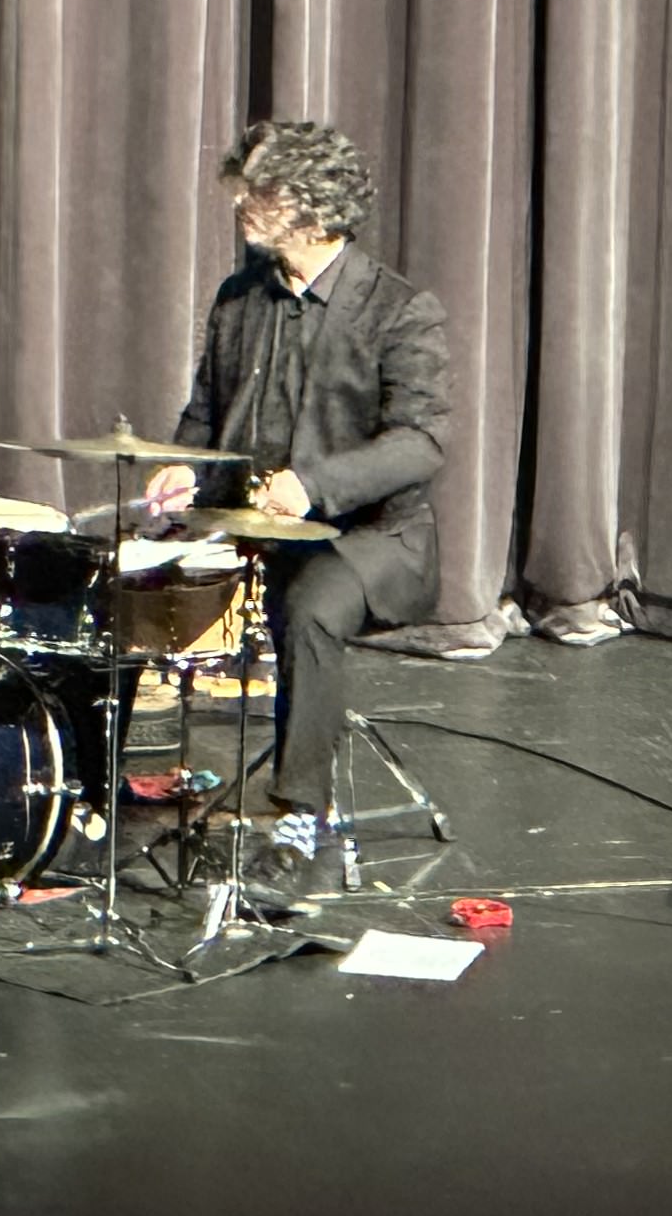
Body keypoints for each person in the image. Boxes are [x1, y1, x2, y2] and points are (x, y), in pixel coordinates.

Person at [143, 119, 449, 894]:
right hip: (266, 532)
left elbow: (419, 444)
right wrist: (185, 468)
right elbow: (206, 414)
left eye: (259, 191)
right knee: (116, 573)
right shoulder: (240, 298)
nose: (240, 204)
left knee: (309, 609)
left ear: (311, 204)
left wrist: (314, 485)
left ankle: (301, 821)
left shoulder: (399, 310)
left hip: (374, 542)